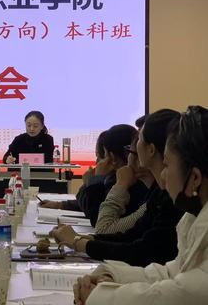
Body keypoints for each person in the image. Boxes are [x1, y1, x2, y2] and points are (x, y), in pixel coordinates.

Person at [74, 106, 208, 305]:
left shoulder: (178, 208)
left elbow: (183, 292)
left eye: (167, 165)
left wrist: (99, 296)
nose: (163, 174)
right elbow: (171, 271)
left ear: (195, 178)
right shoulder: (192, 216)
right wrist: (113, 275)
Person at [52, 109, 184, 268]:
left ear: (150, 149)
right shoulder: (157, 192)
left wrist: (79, 243)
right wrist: (82, 239)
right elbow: (132, 236)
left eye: (136, 142)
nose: (130, 153)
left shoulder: (168, 195)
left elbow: (138, 249)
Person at [42, 126, 147, 226]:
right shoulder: (119, 179)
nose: (97, 162)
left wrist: (93, 183)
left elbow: (95, 216)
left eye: (100, 156)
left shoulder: (124, 182)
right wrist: (60, 205)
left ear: (112, 157)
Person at [94, 134, 155, 234]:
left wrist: (120, 185)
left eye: (130, 151)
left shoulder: (157, 200)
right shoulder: (153, 194)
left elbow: (102, 229)